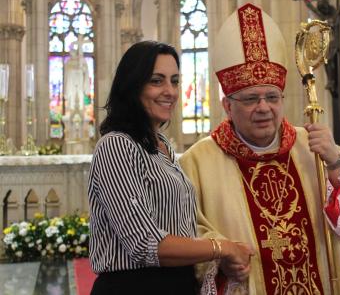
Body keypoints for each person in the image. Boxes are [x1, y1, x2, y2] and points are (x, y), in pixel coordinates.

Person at [179, 3, 340, 295]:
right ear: (227, 106)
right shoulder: (196, 162)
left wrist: (336, 164)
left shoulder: (311, 147)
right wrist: (220, 254)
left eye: (272, 96)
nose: (263, 108)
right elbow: (187, 233)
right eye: (250, 99)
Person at [87, 41, 254, 294]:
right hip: (134, 287)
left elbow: (180, 227)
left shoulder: (161, 144)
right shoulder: (116, 146)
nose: (170, 91)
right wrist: (223, 248)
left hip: (176, 283)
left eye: (174, 81)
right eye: (157, 81)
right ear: (132, 85)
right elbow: (144, 244)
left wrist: (223, 256)